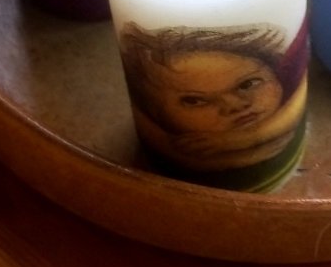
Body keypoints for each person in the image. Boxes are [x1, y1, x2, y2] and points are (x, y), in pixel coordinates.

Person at [119, 22, 308, 175]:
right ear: (154, 113)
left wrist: (239, 140)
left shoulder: (290, 82)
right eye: (195, 101)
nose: (235, 105)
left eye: (248, 84)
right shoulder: (157, 126)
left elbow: (293, 110)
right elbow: (168, 148)